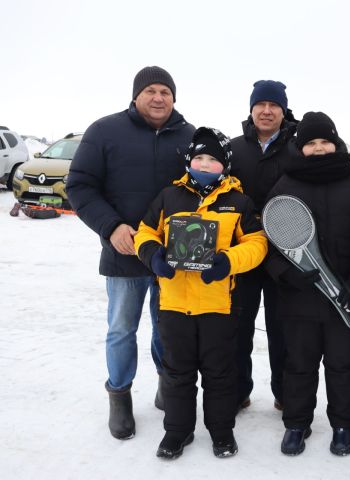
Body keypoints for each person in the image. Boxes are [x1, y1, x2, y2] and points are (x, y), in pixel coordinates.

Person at [66, 66, 194, 440]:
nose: (158, 98)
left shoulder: (189, 136)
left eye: (165, 92)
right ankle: (119, 396)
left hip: (171, 256)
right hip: (123, 253)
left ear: (174, 98)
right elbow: (80, 186)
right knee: (122, 328)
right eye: (151, 91)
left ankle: (165, 386)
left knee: (166, 327)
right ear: (136, 95)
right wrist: (111, 227)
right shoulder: (105, 131)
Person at [134, 127, 268, 459]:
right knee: (177, 374)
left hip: (218, 306)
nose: (205, 164)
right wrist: (152, 255)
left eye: (213, 159)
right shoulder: (169, 196)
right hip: (174, 304)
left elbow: (258, 243)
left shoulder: (238, 201)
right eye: (199, 158)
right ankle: (177, 432)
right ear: (189, 161)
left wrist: (227, 262)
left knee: (220, 374)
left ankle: (222, 433)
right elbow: (145, 231)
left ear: (225, 165)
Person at [263, 112, 350, 456]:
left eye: (324, 141)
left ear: (336, 143)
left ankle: (343, 425)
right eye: (310, 143)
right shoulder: (285, 185)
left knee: (343, 364)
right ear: (301, 148)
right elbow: (268, 242)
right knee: (299, 364)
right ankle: (297, 424)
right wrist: (287, 275)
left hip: (345, 297)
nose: (318, 148)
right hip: (298, 301)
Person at [229, 80, 298, 412]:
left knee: (282, 328)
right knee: (237, 325)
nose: (267, 111)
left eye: (274, 106)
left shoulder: (297, 149)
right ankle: (238, 390)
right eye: (261, 105)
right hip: (241, 251)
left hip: (284, 253)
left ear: (283, 111)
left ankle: (285, 394)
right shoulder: (232, 149)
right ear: (252, 108)